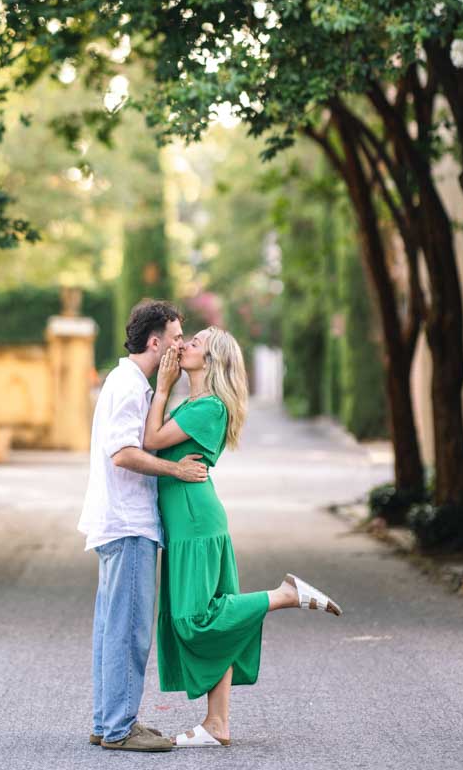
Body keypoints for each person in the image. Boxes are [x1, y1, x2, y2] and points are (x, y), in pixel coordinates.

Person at [144, 326, 343, 749]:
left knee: (195, 619)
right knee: (218, 615)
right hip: (191, 522)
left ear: (211, 360)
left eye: (193, 343)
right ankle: (217, 724)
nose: (184, 346)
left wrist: (161, 387)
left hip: (195, 524)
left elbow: (150, 441)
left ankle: (284, 595)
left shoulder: (209, 407)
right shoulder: (195, 402)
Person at [77, 300, 211, 753]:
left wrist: (166, 386)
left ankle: (107, 721)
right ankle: (119, 728)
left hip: (120, 522)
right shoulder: (130, 385)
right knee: (128, 629)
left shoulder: (131, 382)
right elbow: (123, 453)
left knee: (111, 627)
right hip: (127, 523)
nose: (180, 344)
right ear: (155, 342)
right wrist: (177, 471)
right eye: (175, 337)